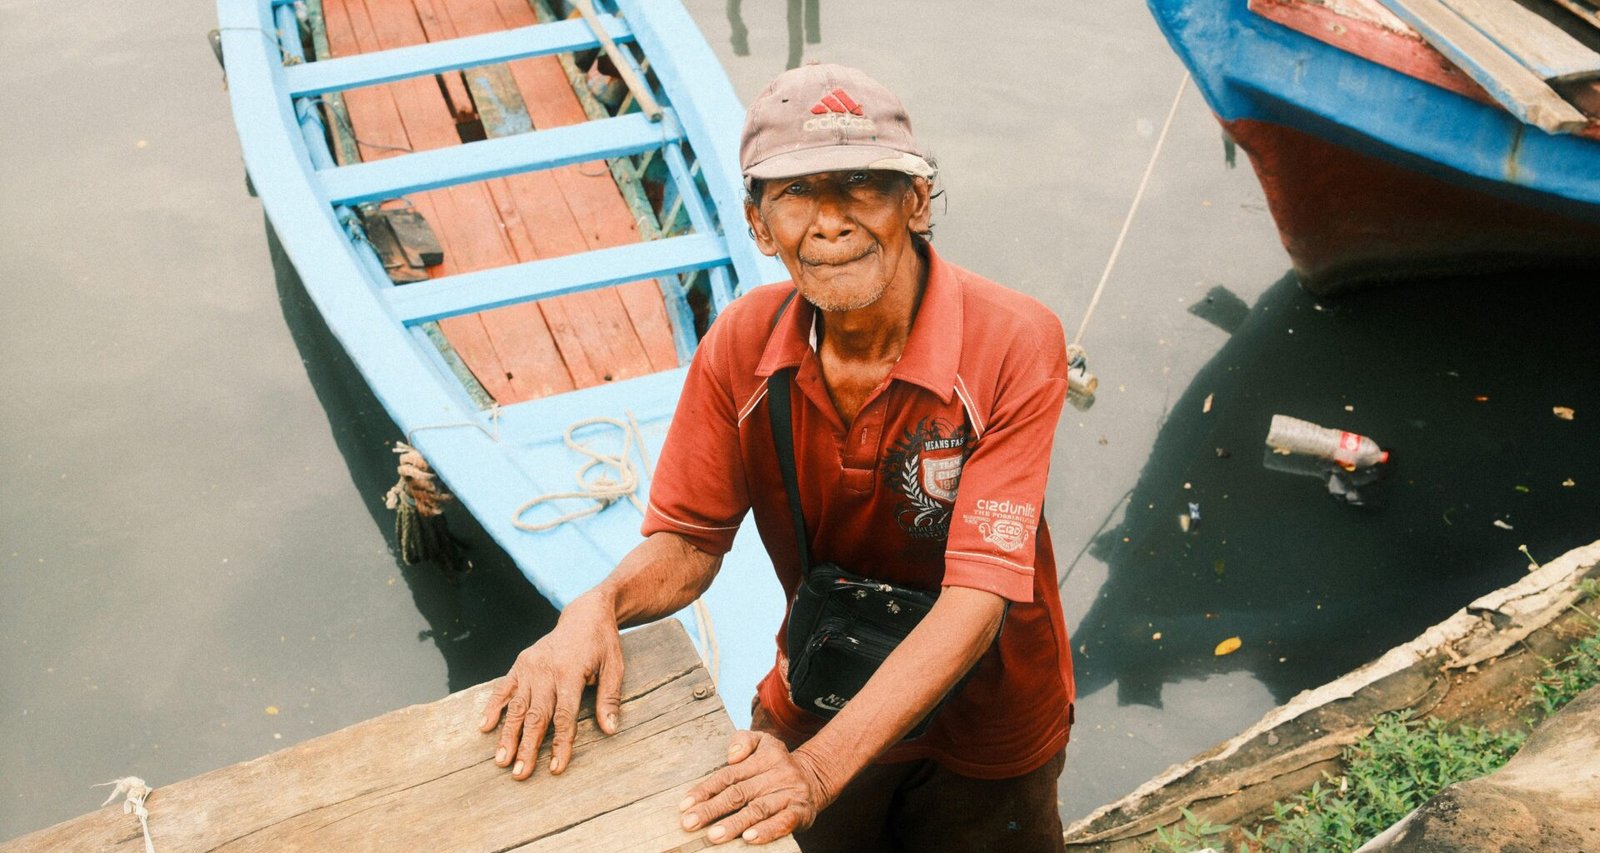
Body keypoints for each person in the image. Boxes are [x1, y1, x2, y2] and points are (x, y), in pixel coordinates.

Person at [480, 62, 1075, 851]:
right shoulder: (743, 342)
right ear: (758, 225)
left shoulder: (1012, 339)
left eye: (863, 183)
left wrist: (819, 773)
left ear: (917, 202)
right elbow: (691, 541)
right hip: (820, 683)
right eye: (795, 194)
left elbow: (975, 601)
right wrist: (597, 606)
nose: (830, 221)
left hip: (990, 717)